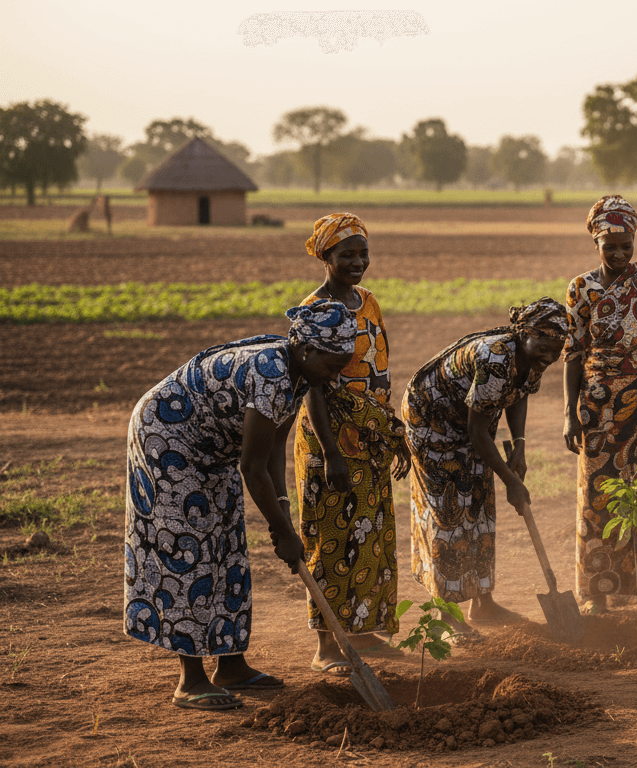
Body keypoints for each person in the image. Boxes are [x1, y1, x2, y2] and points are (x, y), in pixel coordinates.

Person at [124, 301, 356, 711]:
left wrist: (282, 511)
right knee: (189, 552)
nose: (335, 374)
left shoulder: (302, 374)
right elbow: (251, 466)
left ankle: (230, 665)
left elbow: (274, 448)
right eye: (333, 364)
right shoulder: (271, 373)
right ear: (307, 349)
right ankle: (190, 680)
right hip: (168, 438)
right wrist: (282, 530)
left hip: (213, 448)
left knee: (228, 547)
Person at [403, 299, 568, 640]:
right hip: (432, 424)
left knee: (479, 505)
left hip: (468, 423)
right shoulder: (496, 358)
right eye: (545, 348)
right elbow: (477, 433)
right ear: (524, 333)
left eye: (557, 351)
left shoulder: (533, 354)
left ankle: (483, 603)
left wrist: (519, 445)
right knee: (449, 513)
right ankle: (445, 615)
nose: (551, 358)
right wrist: (511, 481)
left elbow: (519, 393)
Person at [294, 213, 411, 676]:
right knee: (331, 534)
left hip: (370, 436)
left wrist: (388, 428)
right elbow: (312, 388)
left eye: (363, 253)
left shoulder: (368, 303)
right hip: (331, 440)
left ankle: (361, 631)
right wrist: (331, 452)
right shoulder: (314, 312)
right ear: (325, 256)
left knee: (370, 532)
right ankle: (326, 645)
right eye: (347, 255)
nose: (358, 262)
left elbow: (379, 370)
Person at [563, 195, 637, 617]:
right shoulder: (581, 289)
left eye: (625, 245)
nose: (618, 253)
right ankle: (595, 594)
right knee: (597, 497)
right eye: (609, 245)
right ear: (595, 241)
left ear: (635, 240)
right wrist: (569, 413)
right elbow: (574, 353)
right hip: (597, 408)